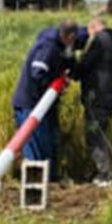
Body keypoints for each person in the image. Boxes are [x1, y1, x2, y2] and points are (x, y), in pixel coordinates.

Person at [11, 19, 86, 179]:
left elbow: (71, 66)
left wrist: (70, 61)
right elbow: (37, 73)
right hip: (32, 105)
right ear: (70, 37)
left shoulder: (62, 47)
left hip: (46, 106)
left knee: (50, 146)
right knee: (37, 150)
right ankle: (35, 187)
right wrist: (55, 85)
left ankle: (50, 182)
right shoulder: (48, 48)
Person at [76, 17, 112, 186]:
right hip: (110, 94)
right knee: (101, 133)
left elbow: (84, 65)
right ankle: (104, 173)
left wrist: (73, 68)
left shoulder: (99, 40)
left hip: (96, 96)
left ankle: (104, 175)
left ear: (93, 29)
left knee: (94, 135)